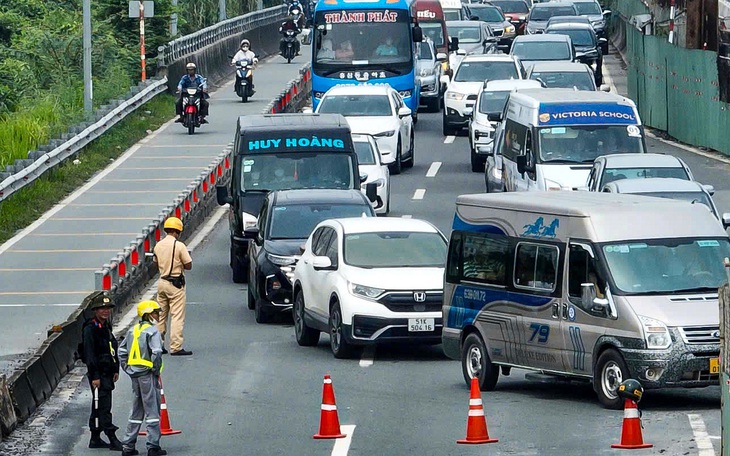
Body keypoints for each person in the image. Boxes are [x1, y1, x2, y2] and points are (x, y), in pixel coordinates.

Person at [118, 301, 166, 456]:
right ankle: (153, 446)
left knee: (136, 410)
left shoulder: (133, 330)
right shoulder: (152, 331)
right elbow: (157, 352)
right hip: (147, 375)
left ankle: (128, 446)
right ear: (148, 314)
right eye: (156, 312)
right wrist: (155, 369)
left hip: (135, 375)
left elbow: (121, 351)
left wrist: (127, 368)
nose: (158, 315)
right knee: (152, 409)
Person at [82, 291, 122, 451]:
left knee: (98, 406)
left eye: (108, 308)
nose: (105, 311)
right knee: (104, 407)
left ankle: (95, 437)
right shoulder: (90, 329)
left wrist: (116, 368)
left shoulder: (105, 326)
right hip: (98, 374)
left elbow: (111, 349)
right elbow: (90, 354)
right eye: (102, 309)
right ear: (95, 310)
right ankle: (112, 438)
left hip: (107, 372)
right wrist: (95, 376)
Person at [153, 217, 193, 356]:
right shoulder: (179, 246)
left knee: (160, 315)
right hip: (175, 284)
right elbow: (188, 265)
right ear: (178, 231)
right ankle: (176, 346)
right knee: (177, 315)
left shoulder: (158, 245)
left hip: (162, 282)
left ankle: (157, 345)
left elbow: (155, 262)